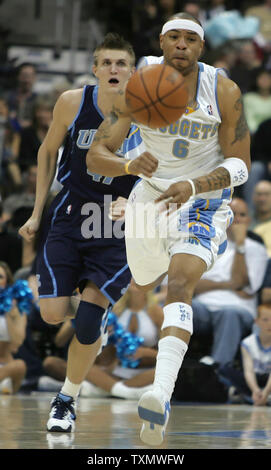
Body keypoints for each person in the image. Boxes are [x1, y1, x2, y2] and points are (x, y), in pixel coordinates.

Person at [87, 12, 251, 446]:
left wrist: (194, 185)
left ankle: (159, 393)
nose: (181, 44)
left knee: (178, 285)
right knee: (143, 280)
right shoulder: (139, 84)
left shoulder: (225, 89)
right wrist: (125, 163)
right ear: (161, 42)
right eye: (173, 37)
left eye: (190, 39)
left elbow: (240, 166)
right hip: (152, 195)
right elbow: (96, 155)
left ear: (201, 47)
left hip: (203, 199)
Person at [18, 33, 149, 433]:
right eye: (106, 62)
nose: (113, 69)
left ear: (132, 71)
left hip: (119, 225)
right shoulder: (72, 102)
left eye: (121, 63)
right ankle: (97, 322)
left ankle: (65, 399)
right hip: (72, 216)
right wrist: (38, 211)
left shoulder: (150, 114)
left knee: (88, 322)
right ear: (94, 69)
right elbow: (46, 152)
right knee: (52, 313)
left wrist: (143, 208)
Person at [192, 197, 268, 367]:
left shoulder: (257, 249)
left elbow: (241, 283)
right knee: (177, 304)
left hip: (237, 310)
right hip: (203, 309)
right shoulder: (206, 244)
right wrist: (229, 285)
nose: (238, 219)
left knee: (229, 313)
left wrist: (240, 245)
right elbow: (193, 285)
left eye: (243, 215)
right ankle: (162, 367)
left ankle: (218, 370)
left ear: (249, 220)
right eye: (233, 214)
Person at [219, 304, 271, 406]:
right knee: (224, 369)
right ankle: (253, 395)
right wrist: (255, 389)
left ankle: (254, 397)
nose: (270, 323)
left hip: (268, 381)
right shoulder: (248, 343)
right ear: (257, 321)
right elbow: (249, 371)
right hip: (254, 379)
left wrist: (265, 392)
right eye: (265, 320)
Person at [0, 261, 27, 394]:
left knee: (20, 365)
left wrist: (8, 312)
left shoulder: (17, 309)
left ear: (7, 281)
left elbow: (17, 343)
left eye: (0, 277)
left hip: (7, 366)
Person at [250, 180, 271, 256]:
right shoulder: (245, 219)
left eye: (267, 194)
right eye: (259, 194)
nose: (262, 199)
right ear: (253, 197)